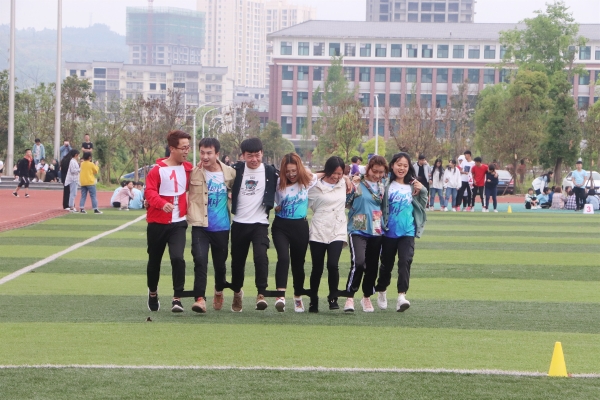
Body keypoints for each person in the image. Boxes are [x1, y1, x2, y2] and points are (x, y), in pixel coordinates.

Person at [145, 130, 194, 313]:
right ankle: (153, 293)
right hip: (157, 223)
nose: (186, 151)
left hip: (178, 223)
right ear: (172, 148)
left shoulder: (188, 169)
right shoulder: (157, 170)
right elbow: (149, 192)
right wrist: (161, 203)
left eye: (188, 147)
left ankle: (177, 297)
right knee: (154, 261)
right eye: (183, 148)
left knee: (178, 258)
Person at [229, 138, 279, 312]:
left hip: (260, 223)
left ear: (262, 153)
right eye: (250, 156)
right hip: (239, 223)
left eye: (257, 155)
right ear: (243, 155)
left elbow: (297, 174)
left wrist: (346, 178)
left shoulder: (270, 171)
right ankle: (237, 292)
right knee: (237, 262)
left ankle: (261, 293)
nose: (254, 159)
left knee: (260, 257)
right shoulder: (235, 170)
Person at [187, 137, 236, 313]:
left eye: (209, 153)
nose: (205, 156)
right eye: (202, 153)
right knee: (200, 260)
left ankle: (219, 290)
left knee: (220, 265)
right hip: (200, 225)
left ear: (217, 154)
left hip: (221, 227)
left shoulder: (230, 173)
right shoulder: (193, 172)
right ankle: (200, 299)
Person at [376, 152, 428, 312]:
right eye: (399, 165)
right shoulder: (385, 184)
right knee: (386, 265)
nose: (402, 168)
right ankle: (382, 290)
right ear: (392, 165)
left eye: (405, 165)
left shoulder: (413, 185)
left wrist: (423, 190)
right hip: (388, 232)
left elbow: (422, 204)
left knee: (405, 261)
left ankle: (401, 296)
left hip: (408, 231)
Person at [272, 153, 318, 312]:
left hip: (300, 226)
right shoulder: (278, 182)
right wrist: (275, 206)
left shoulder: (307, 180)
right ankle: (280, 296)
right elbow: (269, 198)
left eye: (294, 171)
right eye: (287, 171)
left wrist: (346, 178)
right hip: (281, 226)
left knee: (298, 264)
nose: (291, 174)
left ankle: (298, 296)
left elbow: (325, 174)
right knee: (283, 258)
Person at [344, 156, 387, 313]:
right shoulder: (357, 182)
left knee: (372, 266)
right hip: (357, 227)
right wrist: (351, 183)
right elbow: (346, 202)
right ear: (368, 169)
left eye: (381, 172)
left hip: (376, 228)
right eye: (374, 171)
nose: (377, 175)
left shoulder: (383, 185)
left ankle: (366, 296)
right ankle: (350, 296)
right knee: (359, 262)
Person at [307, 156, 348, 313]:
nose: (336, 177)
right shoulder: (314, 186)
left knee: (332, 264)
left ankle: (333, 297)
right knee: (317, 267)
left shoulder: (344, 183)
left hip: (337, 228)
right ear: (327, 170)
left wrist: (346, 178)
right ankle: (313, 299)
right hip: (319, 228)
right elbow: (304, 178)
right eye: (334, 173)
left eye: (340, 173)